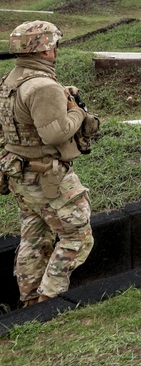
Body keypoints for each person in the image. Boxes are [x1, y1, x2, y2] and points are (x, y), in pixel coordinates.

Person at [0, 20, 100, 307]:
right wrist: (77, 112)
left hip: (20, 175)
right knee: (78, 237)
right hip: (49, 178)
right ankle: (48, 298)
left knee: (34, 237)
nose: (57, 49)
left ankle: (29, 300)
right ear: (44, 51)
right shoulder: (44, 86)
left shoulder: (10, 81)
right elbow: (55, 132)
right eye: (54, 44)